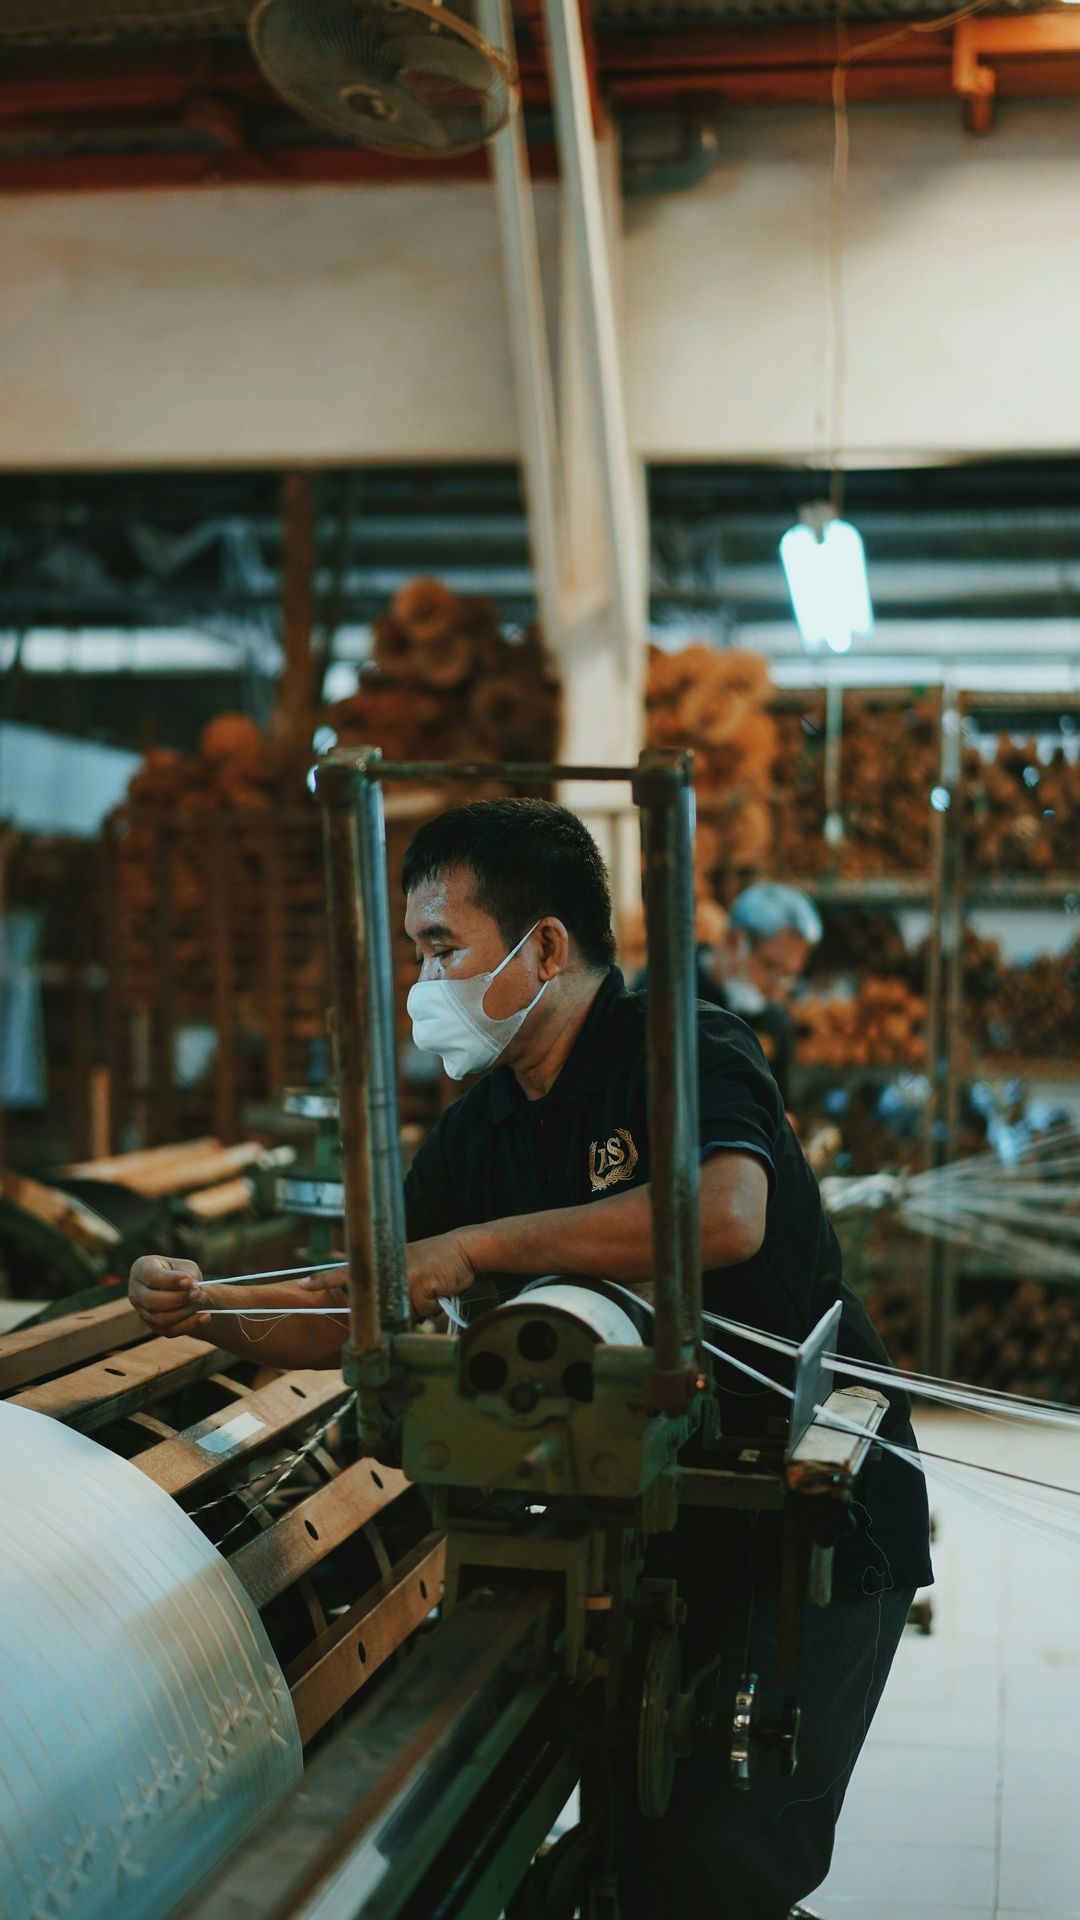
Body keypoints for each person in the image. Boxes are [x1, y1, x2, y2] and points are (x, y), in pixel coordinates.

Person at [129, 799, 931, 1920]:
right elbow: (365, 1300)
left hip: (809, 1517)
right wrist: (207, 1309)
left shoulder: (683, 1051)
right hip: (653, 1525)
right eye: (417, 955)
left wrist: (480, 1248)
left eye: (442, 949)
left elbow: (725, 1215)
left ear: (544, 947)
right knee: (630, 1855)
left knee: (720, 1867)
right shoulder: (485, 1128)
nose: (425, 985)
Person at [696, 882, 822, 1106]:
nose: (776, 990)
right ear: (735, 942)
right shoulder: (668, 993)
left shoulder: (774, 1021)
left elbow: (783, 1106)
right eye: (772, 970)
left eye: (789, 975)